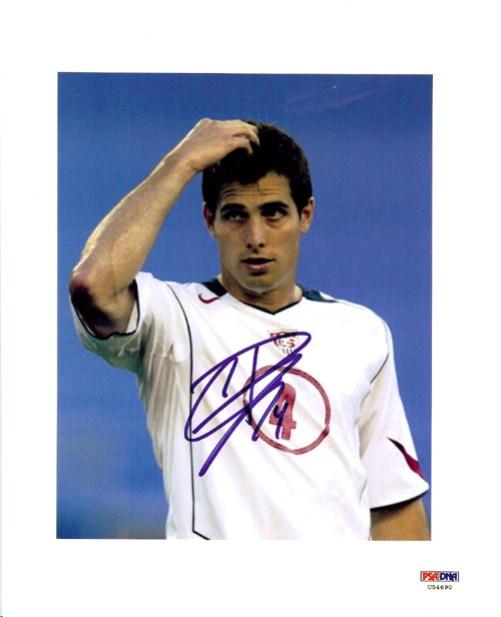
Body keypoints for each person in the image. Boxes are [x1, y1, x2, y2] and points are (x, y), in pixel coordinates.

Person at [69, 118, 430, 540]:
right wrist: (180, 162)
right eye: (235, 215)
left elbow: (393, 504)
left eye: (273, 213)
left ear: (306, 214)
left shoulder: (362, 332)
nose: (255, 236)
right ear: (210, 220)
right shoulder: (172, 318)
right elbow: (92, 285)